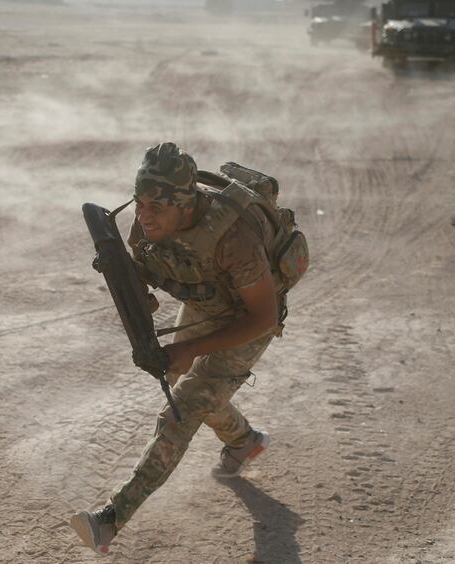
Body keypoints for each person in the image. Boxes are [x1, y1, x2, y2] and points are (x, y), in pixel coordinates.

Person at [70, 142, 284, 556]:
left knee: (182, 410)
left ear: (186, 207)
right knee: (196, 392)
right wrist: (139, 292)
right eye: (139, 202)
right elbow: (145, 269)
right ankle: (244, 441)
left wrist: (193, 349)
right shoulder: (147, 222)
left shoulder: (233, 238)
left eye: (156, 207)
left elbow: (264, 317)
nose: (144, 216)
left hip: (248, 319)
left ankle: (110, 521)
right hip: (207, 304)